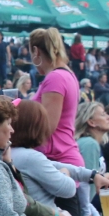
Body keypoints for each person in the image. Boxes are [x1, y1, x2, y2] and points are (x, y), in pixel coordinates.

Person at [28, 28, 83, 167]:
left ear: (36, 51)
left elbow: (47, 127)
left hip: (58, 160)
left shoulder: (55, 78)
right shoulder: (66, 74)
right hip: (62, 157)